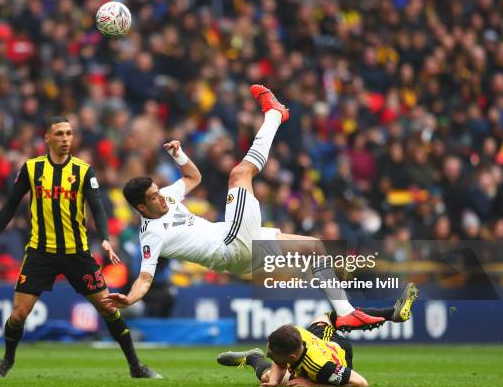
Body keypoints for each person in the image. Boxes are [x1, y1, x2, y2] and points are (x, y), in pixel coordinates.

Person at [104, 85, 385, 331]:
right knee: (239, 174)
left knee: (314, 246)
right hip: (231, 246)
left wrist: (179, 155)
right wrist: (128, 299)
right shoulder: (151, 235)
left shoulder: (167, 196)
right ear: (141, 207)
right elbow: (144, 278)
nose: (162, 197)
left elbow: (193, 177)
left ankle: (346, 312)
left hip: (241, 253)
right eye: (154, 197)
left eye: (158, 191)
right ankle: (274, 114)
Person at [0, 116, 161, 379]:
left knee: (108, 308)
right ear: (47, 138)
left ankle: (135, 366)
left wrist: (105, 237)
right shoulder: (31, 169)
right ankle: (7, 360)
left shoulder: (83, 170)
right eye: (59, 134)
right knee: (18, 314)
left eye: (69, 134)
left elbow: (98, 208)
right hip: (41, 252)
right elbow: (10, 206)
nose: (65, 139)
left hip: (77, 254)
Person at [216, 283, 419, 387]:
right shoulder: (295, 333)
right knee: (330, 316)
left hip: (336, 353)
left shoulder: (321, 369)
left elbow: (361, 383)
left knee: (275, 376)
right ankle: (390, 313)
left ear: (292, 357)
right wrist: (275, 381)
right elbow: (280, 358)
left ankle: (254, 358)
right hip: (319, 340)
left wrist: (312, 384)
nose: (272, 354)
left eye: (271, 354)